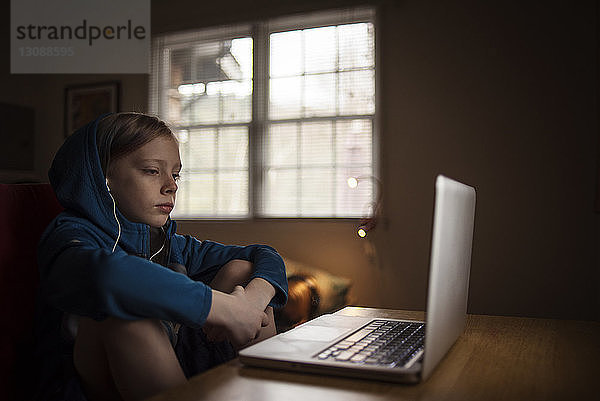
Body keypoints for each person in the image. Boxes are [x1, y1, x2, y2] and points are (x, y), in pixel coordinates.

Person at [34, 112, 288, 401]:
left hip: (175, 369)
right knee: (127, 314)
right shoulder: (68, 236)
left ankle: (263, 392)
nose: (171, 185)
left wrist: (249, 304)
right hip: (91, 384)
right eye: (152, 170)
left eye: (175, 173)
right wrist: (221, 308)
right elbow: (109, 276)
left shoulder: (172, 243)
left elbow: (266, 255)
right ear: (103, 178)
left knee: (242, 270)